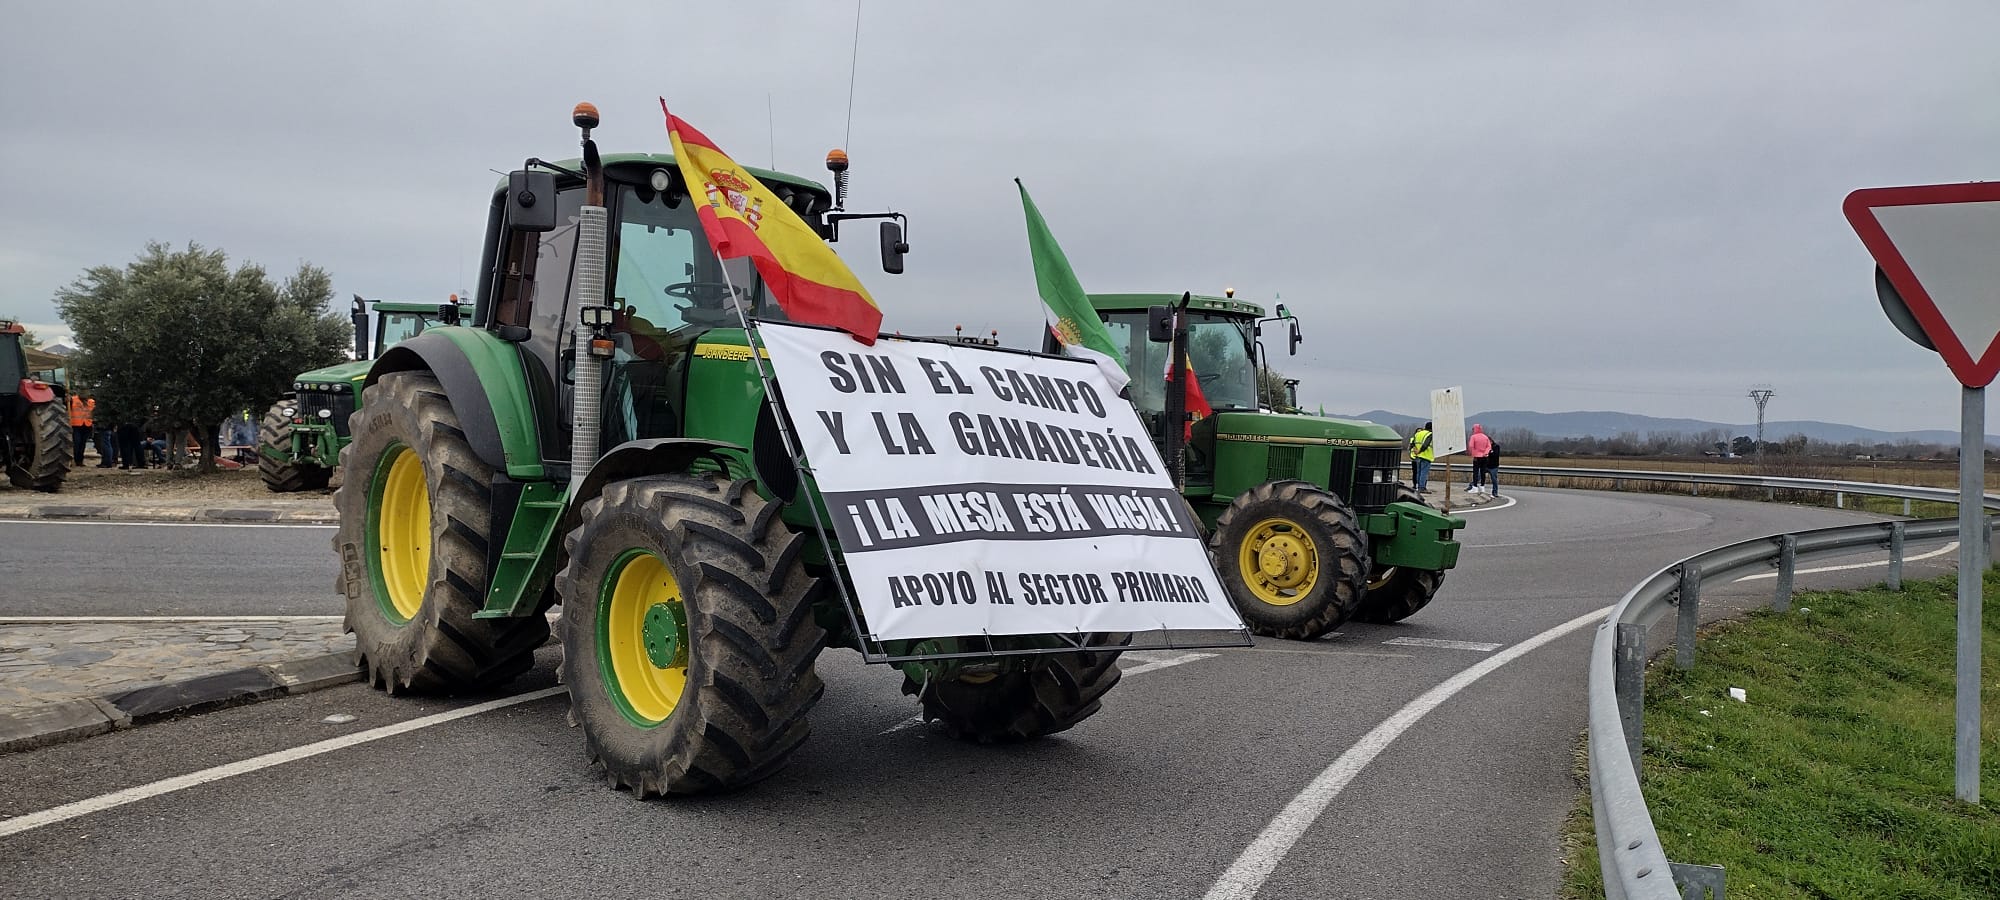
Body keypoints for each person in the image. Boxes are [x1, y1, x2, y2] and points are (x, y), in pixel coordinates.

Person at [67, 392, 94, 466]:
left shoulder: (91, 401)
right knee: (77, 443)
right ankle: (75, 459)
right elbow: (67, 406)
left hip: (87, 425)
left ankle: (80, 461)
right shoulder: (72, 400)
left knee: (82, 444)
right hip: (76, 425)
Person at [1409, 421, 1435, 492]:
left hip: (1417, 456)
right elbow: (1425, 445)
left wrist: (1416, 451)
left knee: (1418, 472)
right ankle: (1422, 487)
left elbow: (1413, 443)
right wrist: (1420, 451)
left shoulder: (1418, 434)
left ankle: (1417, 486)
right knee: (1424, 472)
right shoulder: (1430, 434)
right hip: (1426, 456)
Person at [1467, 423, 1492, 493]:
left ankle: (1475, 487)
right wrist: (1485, 453)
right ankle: (1482, 486)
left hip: (1477, 457)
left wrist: (1472, 453)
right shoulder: (1485, 437)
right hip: (1484, 457)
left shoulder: (1473, 437)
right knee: (1483, 472)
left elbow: (1471, 446)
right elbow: (1489, 446)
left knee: (1475, 472)